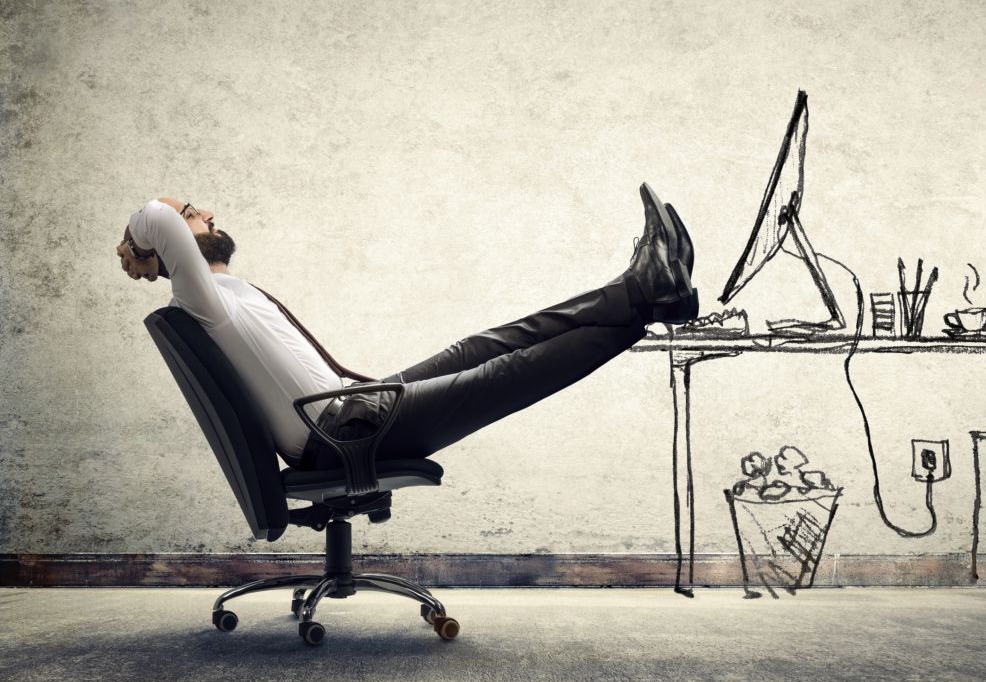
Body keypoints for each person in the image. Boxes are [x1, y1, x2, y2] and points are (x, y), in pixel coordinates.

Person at [115, 186, 697, 470]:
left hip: (351, 408)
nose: (208, 211)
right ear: (169, 247)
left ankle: (638, 286)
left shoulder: (221, 293)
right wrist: (140, 242)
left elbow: (168, 223)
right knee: (504, 374)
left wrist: (164, 231)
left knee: (479, 347)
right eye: (196, 213)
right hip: (340, 434)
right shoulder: (199, 297)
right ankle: (651, 301)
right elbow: (159, 216)